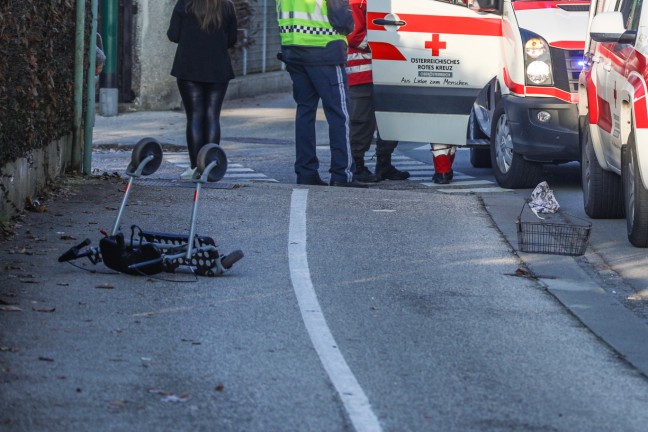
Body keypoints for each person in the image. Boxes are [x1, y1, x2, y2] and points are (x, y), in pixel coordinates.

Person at [276, 0, 366, 187]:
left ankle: (306, 172)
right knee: (339, 114)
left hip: (293, 49)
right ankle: (342, 173)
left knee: (305, 113)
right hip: (325, 49)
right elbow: (343, 21)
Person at [167, 0, 238, 180]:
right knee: (212, 116)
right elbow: (231, 40)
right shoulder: (227, 6)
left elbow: (173, 35)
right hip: (218, 69)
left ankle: (194, 167)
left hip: (189, 68)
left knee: (195, 117)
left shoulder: (185, 4)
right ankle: (211, 166)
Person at [346, 0, 409, 183]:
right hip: (361, 71)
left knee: (390, 118)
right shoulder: (355, 1)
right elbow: (352, 34)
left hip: (387, 67)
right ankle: (356, 165)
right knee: (361, 120)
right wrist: (386, 43)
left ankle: (384, 163)